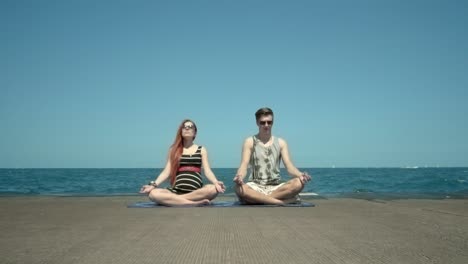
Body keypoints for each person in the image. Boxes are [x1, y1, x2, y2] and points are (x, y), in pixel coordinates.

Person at [233, 107, 312, 205]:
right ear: (257, 123)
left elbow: (289, 166)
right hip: (255, 186)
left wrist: (301, 175)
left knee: (299, 183)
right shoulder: (249, 142)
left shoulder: (281, 143)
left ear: (272, 122)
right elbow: (244, 165)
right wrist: (239, 176)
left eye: (269, 122)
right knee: (238, 188)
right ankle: (281, 202)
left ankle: (258, 200)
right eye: (263, 122)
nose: (266, 125)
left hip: (275, 187)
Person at [140, 119, 225, 206]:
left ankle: (177, 201)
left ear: (195, 133)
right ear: (181, 131)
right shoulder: (174, 149)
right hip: (176, 191)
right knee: (153, 194)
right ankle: (192, 203)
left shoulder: (201, 149)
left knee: (213, 189)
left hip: (196, 192)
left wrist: (216, 182)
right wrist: (153, 185)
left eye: (190, 127)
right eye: (184, 127)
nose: (187, 128)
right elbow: (167, 171)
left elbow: (207, 171)